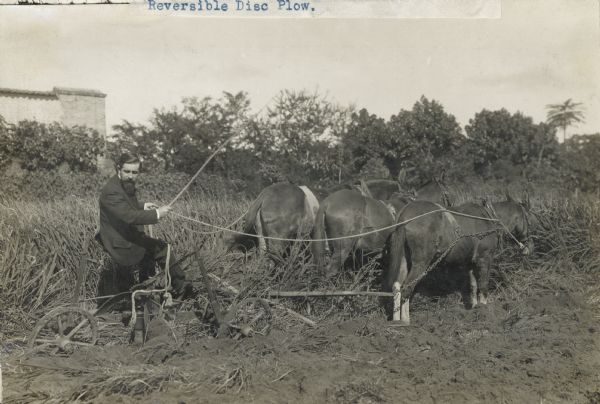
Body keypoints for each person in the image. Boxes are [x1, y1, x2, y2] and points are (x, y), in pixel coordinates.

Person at [95, 153, 193, 301]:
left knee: (153, 248)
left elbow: (125, 206)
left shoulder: (121, 185)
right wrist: (157, 213)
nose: (130, 176)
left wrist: (143, 205)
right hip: (119, 244)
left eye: (134, 172)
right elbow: (129, 216)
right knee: (163, 249)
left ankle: (146, 292)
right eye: (127, 171)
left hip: (125, 237)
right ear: (118, 169)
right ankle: (182, 288)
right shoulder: (111, 190)